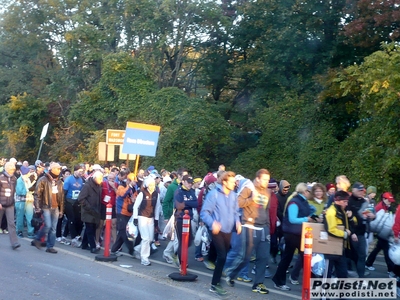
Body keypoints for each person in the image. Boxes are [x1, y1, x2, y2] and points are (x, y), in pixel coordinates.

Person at [225, 169, 277, 294]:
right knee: (245, 257)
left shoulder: (268, 192)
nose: (266, 182)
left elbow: (267, 211)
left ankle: (258, 284)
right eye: (264, 179)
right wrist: (251, 200)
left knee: (263, 258)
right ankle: (230, 274)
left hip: (263, 228)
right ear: (258, 179)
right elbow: (238, 203)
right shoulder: (249, 188)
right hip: (249, 226)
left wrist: (268, 228)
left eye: (267, 180)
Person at [201, 171, 241, 296]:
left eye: (235, 181)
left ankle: (211, 261)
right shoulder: (214, 194)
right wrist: (213, 223)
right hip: (217, 230)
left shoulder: (234, 196)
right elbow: (204, 212)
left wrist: (238, 222)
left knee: (223, 256)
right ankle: (214, 285)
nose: (234, 184)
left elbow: (236, 212)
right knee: (222, 256)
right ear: (224, 182)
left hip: (228, 230)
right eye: (232, 181)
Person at [272, 183, 314, 291]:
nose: (311, 193)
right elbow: (292, 219)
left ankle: (279, 280)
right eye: (309, 191)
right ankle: (279, 281)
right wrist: (306, 219)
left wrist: (314, 215)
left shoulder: (303, 201)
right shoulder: (294, 202)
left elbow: (309, 211)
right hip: (292, 234)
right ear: (305, 192)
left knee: (300, 257)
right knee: (291, 258)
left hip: (298, 233)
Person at [32, 162, 64, 253]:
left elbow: (61, 197)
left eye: (59, 169)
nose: (59, 170)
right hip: (46, 206)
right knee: (48, 225)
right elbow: (37, 194)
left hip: (56, 207)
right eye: (57, 168)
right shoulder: (43, 179)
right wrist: (37, 207)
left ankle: (50, 247)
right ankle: (37, 238)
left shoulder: (60, 182)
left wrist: (61, 209)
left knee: (53, 228)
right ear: (52, 169)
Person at [347, 182, 375, 278]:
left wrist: (372, 216)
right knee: (351, 256)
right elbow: (346, 219)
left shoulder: (364, 202)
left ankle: (361, 277)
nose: (361, 192)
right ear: (353, 190)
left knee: (362, 256)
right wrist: (352, 232)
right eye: (359, 190)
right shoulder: (348, 201)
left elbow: (368, 216)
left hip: (362, 233)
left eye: (362, 190)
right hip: (351, 233)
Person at [324, 190, 353, 278]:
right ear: (337, 200)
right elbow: (331, 229)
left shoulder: (341, 210)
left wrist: (351, 218)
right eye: (345, 201)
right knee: (327, 274)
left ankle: (342, 291)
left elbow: (346, 224)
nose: (346, 204)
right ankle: (324, 291)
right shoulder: (331, 212)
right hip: (331, 248)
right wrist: (344, 234)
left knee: (343, 274)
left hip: (339, 247)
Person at [133, 176, 161, 266]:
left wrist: (156, 221)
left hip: (151, 218)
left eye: (153, 184)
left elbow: (157, 208)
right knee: (145, 238)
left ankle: (137, 249)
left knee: (150, 239)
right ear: (146, 185)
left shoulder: (156, 194)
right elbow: (135, 206)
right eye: (150, 185)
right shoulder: (142, 193)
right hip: (142, 217)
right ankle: (144, 258)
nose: (152, 186)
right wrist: (135, 218)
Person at [365, 192, 396, 275]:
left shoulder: (386, 207)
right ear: (384, 199)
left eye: (391, 201)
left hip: (383, 231)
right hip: (381, 232)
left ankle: (368, 263)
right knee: (386, 250)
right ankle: (391, 269)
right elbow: (374, 219)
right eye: (389, 201)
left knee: (377, 248)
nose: (390, 202)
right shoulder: (379, 207)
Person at [173, 174, 198, 266]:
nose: (190, 184)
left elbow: (196, 203)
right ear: (183, 182)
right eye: (188, 182)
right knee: (182, 241)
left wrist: (185, 203)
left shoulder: (192, 191)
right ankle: (181, 261)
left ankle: (176, 254)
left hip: (188, 219)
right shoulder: (178, 191)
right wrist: (188, 203)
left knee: (189, 241)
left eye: (191, 183)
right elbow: (179, 205)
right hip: (179, 219)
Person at [78, 171, 103, 253]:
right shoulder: (87, 186)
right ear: (95, 178)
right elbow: (81, 198)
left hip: (95, 210)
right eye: (100, 179)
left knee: (90, 228)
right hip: (88, 210)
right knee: (90, 229)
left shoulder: (98, 185)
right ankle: (93, 246)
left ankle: (84, 244)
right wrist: (88, 207)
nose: (101, 180)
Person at [63, 165, 85, 247]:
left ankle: (64, 235)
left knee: (75, 219)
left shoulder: (81, 180)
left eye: (82, 172)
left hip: (76, 202)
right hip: (68, 201)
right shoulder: (68, 180)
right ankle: (73, 238)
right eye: (79, 171)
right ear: (75, 171)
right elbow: (64, 192)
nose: (80, 173)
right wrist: (63, 204)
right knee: (71, 219)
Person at [0, 162, 20, 249]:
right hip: (1, 203)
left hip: (10, 204)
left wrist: (13, 200)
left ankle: (14, 243)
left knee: (11, 223)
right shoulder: (0, 177)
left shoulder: (14, 178)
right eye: (11, 169)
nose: (13, 171)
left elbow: (14, 191)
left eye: (13, 169)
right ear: (7, 169)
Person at [15, 166, 34, 237]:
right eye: (27, 172)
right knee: (20, 217)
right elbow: (19, 191)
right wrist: (28, 191)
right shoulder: (19, 181)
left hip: (29, 201)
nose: (29, 173)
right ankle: (19, 231)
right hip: (20, 201)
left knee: (30, 217)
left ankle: (30, 232)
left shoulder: (28, 180)